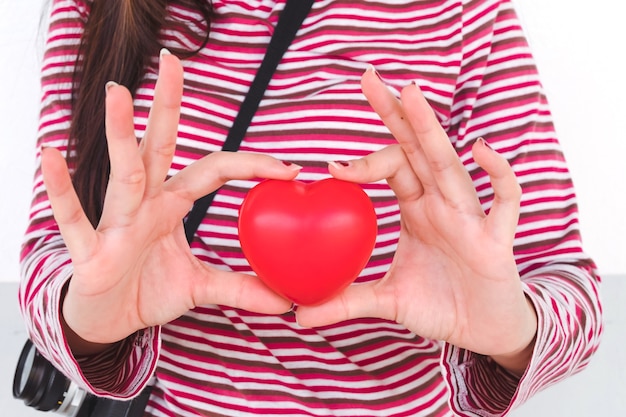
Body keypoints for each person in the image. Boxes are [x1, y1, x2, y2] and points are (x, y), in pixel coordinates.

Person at [19, 0, 603, 416]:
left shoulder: (465, 12)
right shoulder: (93, 8)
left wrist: (513, 330)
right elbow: (55, 251)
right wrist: (88, 321)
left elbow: (570, 287)